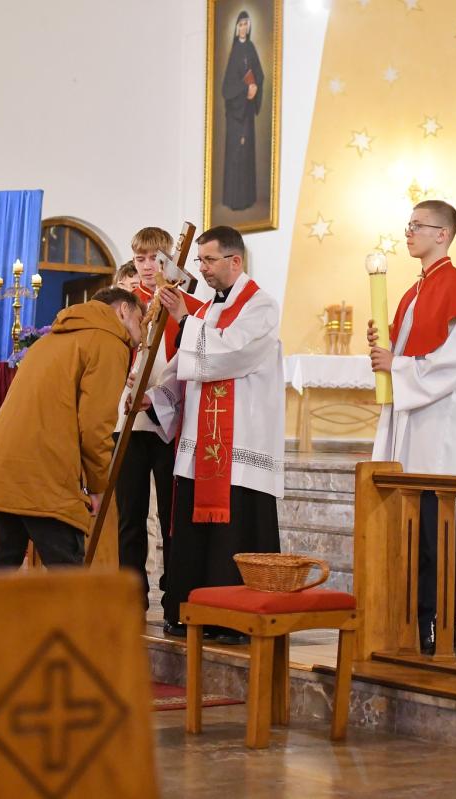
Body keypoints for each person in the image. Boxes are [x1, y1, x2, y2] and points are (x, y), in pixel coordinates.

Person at [137, 225, 283, 644]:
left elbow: (231, 353)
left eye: (209, 260)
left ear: (235, 261)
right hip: (201, 445)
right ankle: (190, 611)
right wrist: (155, 397)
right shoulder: (203, 312)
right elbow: (182, 369)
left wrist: (184, 320)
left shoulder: (261, 306)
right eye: (199, 260)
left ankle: (234, 618)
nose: (201, 268)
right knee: (194, 535)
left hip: (240, 447)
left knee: (234, 534)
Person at [367, 200, 456, 659]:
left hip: (437, 434)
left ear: (443, 234)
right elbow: (409, 353)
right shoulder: (414, 292)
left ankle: (444, 628)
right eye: (408, 225)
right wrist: (386, 346)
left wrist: (396, 364)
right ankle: (414, 624)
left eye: (418, 226)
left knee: (438, 537)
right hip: (412, 427)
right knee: (414, 537)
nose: (409, 232)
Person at [0, 287, 143, 567]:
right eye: (140, 321)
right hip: (47, 474)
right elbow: (95, 427)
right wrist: (98, 485)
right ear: (123, 310)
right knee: (67, 576)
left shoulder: (50, 339)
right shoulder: (109, 341)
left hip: (4, 472)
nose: (143, 332)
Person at [115, 228, 203, 611]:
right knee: (130, 514)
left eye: (156, 259)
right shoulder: (123, 304)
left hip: (172, 422)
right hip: (130, 423)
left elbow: (195, 357)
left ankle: (174, 596)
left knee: (171, 513)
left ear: (171, 260)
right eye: (141, 259)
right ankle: (131, 595)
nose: (148, 266)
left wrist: (159, 396)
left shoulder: (190, 306)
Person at [220, 10, 264, 212]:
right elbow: (227, 87)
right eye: (241, 24)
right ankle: (235, 200)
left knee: (246, 153)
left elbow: (259, 75)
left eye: (246, 24)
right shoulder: (235, 51)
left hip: (247, 110)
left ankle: (247, 199)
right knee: (237, 152)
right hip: (235, 114)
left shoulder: (251, 48)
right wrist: (245, 88)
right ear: (236, 28)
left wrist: (254, 87)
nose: (244, 28)